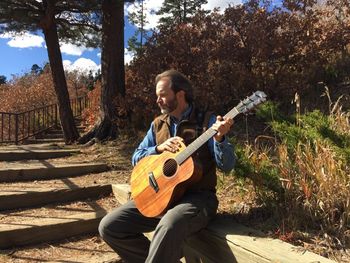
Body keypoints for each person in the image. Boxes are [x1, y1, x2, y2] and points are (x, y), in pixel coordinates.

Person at [99, 69, 236, 263]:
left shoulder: (208, 122)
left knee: (169, 224)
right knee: (110, 226)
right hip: (160, 196)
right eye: (157, 96)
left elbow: (228, 166)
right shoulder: (158, 125)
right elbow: (136, 157)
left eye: (162, 95)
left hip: (197, 199)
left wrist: (220, 139)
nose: (158, 100)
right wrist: (158, 148)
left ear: (180, 94)